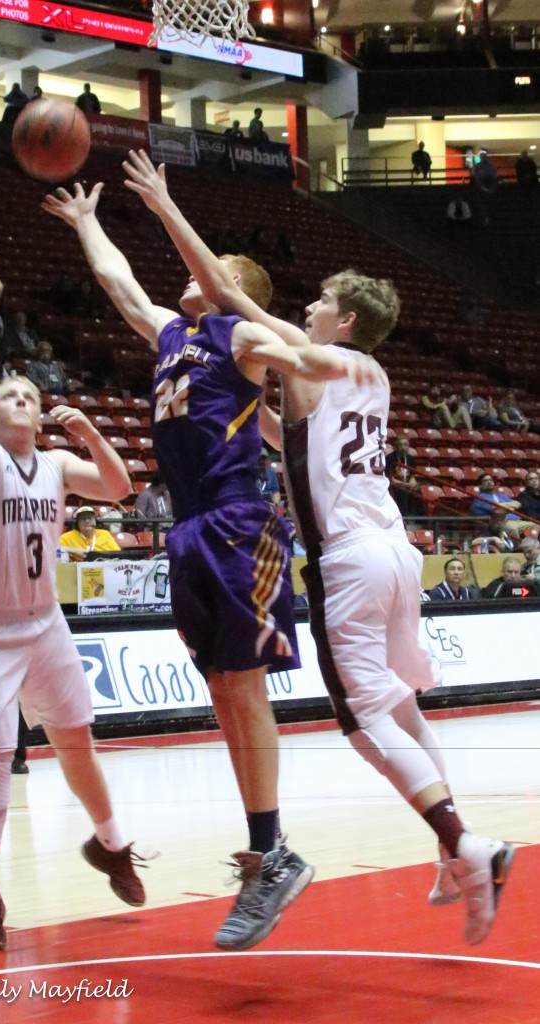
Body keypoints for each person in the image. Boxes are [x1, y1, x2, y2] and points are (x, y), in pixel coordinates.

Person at [121, 149, 515, 947]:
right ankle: (450, 849)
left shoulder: (324, 356)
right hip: (397, 551)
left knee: (365, 720)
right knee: (401, 698)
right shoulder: (370, 378)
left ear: (347, 322)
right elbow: (284, 434)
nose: (306, 308)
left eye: (320, 302)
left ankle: (465, 843)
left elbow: (230, 296)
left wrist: (167, 208)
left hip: (349, 559)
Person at [42, 176, 382, 954]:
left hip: (238, 522)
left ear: (226, 285)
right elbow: (118, 283)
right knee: (223, 689)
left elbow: (305, 362)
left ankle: (271, 850)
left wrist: (309, 367)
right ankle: (267, 851)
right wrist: (88, 223)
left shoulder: (241, 336)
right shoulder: (173, 336)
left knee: (244, 685)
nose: (185, 276)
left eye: (206, 269)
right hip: (190, 529)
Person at [0, 256, 147, 953]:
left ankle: (112, 843)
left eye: (29, 395)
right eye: (11, 397)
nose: (22, 401)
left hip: (46, 626)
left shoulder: (58, 465)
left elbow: (121, 489)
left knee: (76, 743)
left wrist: (90, 432)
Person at [384, 436, 423, 519]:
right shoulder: (389, 459)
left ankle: (420, 521)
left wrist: (413, 481)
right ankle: (404, 519)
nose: (403, 447)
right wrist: (405, 484)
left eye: (405, 445)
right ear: (395, 447)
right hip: (393, 485)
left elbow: (412, 475)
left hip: (406, 484)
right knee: (402, 492)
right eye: (400, 445)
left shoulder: (410, 459)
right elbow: (389, 478)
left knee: (419, 491)